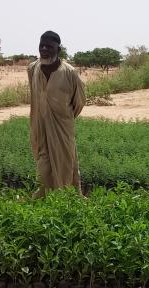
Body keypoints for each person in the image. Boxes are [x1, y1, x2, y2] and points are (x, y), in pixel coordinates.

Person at [28, 31, 86, 197]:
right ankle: (44, 201)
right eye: (42, 46)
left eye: (49, 46)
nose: (44, 49)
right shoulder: (32, 69)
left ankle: (68, 200)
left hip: (62, 129)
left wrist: (61, 117)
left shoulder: (70, 73)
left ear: (58, 49)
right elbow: (34, 97)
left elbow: (79, 102)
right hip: (39, 128)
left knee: (66, 166)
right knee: (43, 167)